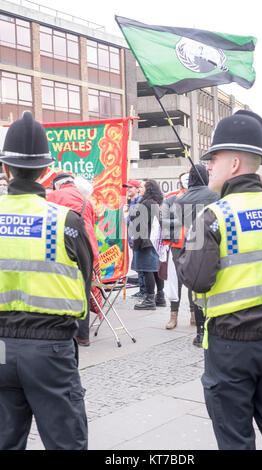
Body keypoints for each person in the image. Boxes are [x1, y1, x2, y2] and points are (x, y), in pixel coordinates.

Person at [176, 109, 262, 450]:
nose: (209, 166)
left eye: (213, 158)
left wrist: (191, 242)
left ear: (232, 164)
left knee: (235, 438)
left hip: (230, 346)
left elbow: (196, 279)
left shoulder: (212, 216)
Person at [0, 111, 93, 450]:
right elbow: (84, 277)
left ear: (6, 168)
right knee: (65, 441)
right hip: (51, 349)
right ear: (45, 170)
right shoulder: (66, 221)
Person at [47, 172, 99, 347]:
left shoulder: (54, 196)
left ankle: (64, 331)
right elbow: (92, 222)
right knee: (83, 290)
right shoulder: (86, 199)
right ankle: (83, 336)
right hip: (88, 247)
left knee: (61, 287)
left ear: (58, 185)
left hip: (65, 245)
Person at [172, 164, 219, 344]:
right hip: (213, 243)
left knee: (197, 291)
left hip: (193, 245)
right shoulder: (215, 196)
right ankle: (213, 326)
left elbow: (180, 222)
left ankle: (200, 333)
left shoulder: (180, 201)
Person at [161, 172, 191, 328]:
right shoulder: (171, 199)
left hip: (194, 243)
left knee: (194, 279)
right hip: (177, 245)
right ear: (181, 185)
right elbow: (163, 220)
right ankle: (174, 316)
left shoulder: (195, 197)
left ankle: (194, 313)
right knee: (175, 280)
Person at [131, 179, 166, 310]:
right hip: (154, 241)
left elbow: (137, 221)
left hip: (145, 241)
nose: (139, 189)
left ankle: (150, 299)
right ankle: (160, 297)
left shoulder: (146, 203)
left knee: (148, 271)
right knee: (155, 270)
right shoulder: (155, 203)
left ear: (148, 189)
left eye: (141, 187)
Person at [122, 179, 146, 298]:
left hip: (139, 238)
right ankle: (143, 289)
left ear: (137, 189)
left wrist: (127, 215)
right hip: (132, 239)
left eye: (131, 187)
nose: (128, 189)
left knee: (141, 266)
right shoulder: (129, 202)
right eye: (127, 187)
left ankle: (144, 290)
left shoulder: (140, 202)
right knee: (138, 265)